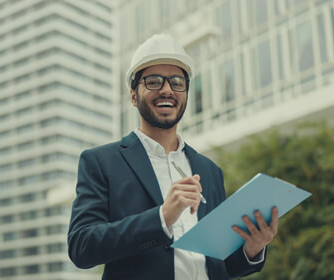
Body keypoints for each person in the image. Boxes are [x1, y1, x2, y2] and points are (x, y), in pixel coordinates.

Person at [68, 34, 279, 280]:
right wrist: (162, 217)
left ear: (185, 95)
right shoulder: (101, 162)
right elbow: (82, 247)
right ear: (134, 96)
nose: (167, 90)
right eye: (154, 81)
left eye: (177, 82)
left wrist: (252, 249)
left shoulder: (209, 170)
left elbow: (221, 265)